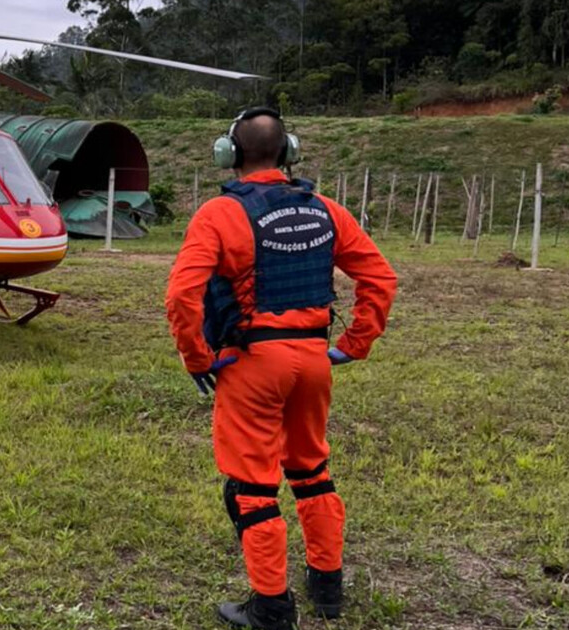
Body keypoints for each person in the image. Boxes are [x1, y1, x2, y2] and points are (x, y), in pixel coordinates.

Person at [164, 107, 397, 630]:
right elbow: (380, 279)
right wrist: (355, 344)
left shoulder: (219, 214)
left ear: (229, 153)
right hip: (314, 360)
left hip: (252, 363)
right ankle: (328, 587)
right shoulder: (326, 210)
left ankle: (270, 607)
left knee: (253, 484)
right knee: (310, 469)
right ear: (288, 151)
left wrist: (197, 358)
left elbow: (181, 295)